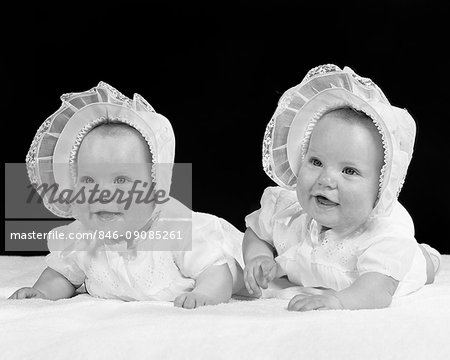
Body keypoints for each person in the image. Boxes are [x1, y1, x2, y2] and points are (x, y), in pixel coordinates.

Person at [9, 82, 244, 309]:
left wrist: (205, 294)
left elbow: (216, 271)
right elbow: (62, 275)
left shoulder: (179, 231)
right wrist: (42, 292)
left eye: (121, 180)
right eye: (88, 181)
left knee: (260, 268)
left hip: (226, 259)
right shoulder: (83, 237)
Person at [243, 64, 441, 311]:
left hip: (394, 271)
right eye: (316, 162)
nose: (326, 179)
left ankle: (427, 257)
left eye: (349, 171)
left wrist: (338, 300)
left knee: (420, 265)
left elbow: (376, 291)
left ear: (380, 188)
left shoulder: (384, 238)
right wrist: (258, 256)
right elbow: (255, 232)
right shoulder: (286, 213)